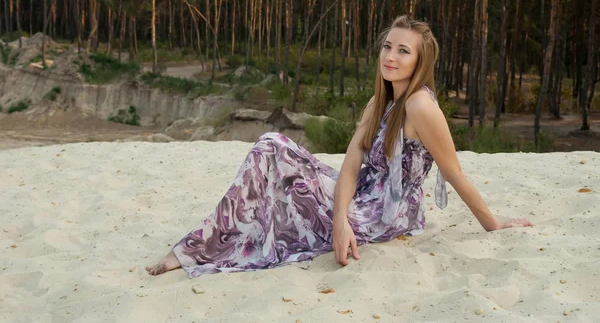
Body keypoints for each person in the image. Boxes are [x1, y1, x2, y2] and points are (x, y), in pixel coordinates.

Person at [146, 15, 533, 278]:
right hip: (361, 195)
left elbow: (454, 172)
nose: (391, 57)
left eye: (403, 51)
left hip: (389, 212)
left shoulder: (420, 106)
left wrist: (494, 224)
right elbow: (351, 163)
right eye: (387, 46)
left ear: (420, 61)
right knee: (272, 147)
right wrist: (339, 219)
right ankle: (201, 247)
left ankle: (194, 252)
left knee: (274, 166)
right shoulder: (380, 101)